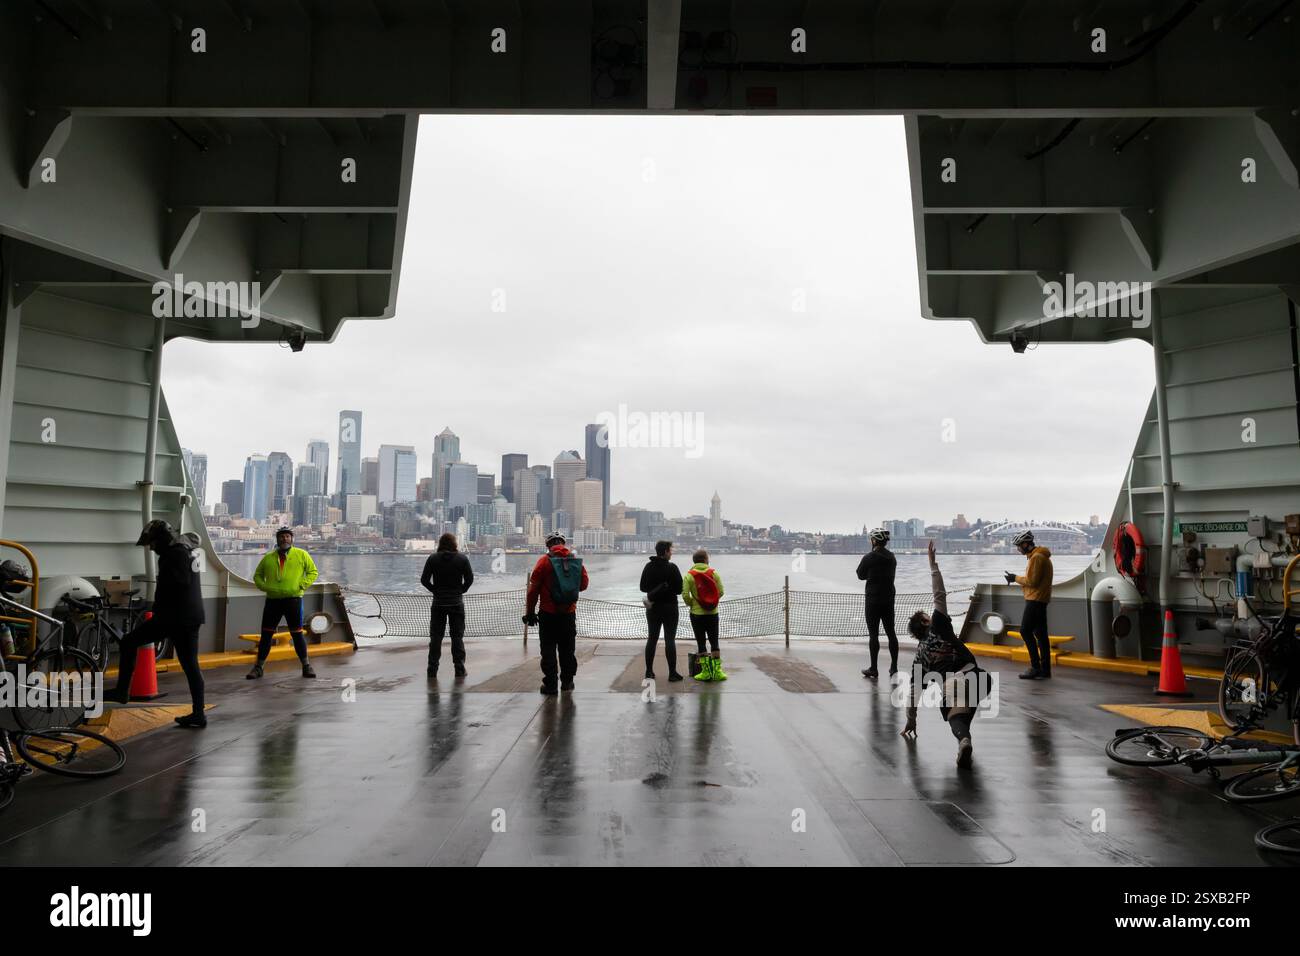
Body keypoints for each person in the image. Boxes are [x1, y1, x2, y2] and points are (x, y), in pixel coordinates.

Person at [104, 520, 207, 728]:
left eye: (152, 543)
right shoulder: (188, 549)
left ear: (162, 539)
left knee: (129, 642)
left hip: (175, 617)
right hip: (190, 616)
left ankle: (122, 691)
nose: (151, 548)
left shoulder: (174, 554)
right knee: (190, 665)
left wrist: (157, 608)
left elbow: (177, 585)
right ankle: (198, 713)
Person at [900, 541, 987, 768]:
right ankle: (965, 738)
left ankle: (963, 739)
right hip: (980, 677)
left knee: (954, 709)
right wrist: (933, 565)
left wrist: (911, 720)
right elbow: (939, 594)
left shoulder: (920, 656)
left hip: (954, 682)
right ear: (926, 621)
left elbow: (914, 693)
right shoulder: (940, 624)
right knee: (963, 706)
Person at [247, 527, 319, 680]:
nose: (284, 539)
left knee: (297, 634)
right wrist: (264, 586)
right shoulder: (268, 557)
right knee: (266, 635)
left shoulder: (302, 554)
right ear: (277, 539)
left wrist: (302, 585)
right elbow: (258, 575)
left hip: (293, 600)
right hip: (273, 602)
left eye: (287, 536)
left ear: (292, 539)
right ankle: (258, 667)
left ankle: (306, 666)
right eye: (281, 537)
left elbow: (313, 572)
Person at [523, 532, 588, 695]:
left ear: (548, 546)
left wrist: (530, 613)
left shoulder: (543, 562)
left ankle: (550, 685)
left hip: (548, 614)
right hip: (568, 613)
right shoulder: (574, 560)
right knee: (567, 650)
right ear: (564, 544)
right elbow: (584, 585)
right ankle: (567, 682)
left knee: (548, 649)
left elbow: (533, 591)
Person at [420, 532, 474, 679]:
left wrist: (435, 591)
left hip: (438, 603)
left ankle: (432, 669)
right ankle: (459, 669)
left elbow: (424, 580)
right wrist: (461, 590)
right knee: (457, 637)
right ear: (454, 543)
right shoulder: (462, 559)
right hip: (456, 602)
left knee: (436, 638)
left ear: (441, 543)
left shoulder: (432, 559)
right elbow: (470, 579)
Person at [1004, 530, 1054, 680]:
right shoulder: (1039, 556)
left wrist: (1015, 578)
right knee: (1041, 636)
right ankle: (1045, 670)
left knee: (1025, 631)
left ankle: (1035, 667)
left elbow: (1032, 581)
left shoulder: (1037, 558)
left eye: (1019, 546)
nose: (1018, 549)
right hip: (1040, 600)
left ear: (1026, 544)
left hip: (1035, 601)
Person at [856, 527, 898, 680]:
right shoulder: (892, 557)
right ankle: (894, 667)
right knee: (891, 633)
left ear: (874, 540)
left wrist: (871, 575)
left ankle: (874, 668)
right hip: (888, 599)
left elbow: (860, 575)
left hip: (873, 600)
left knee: (874, 635)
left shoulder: (869, 557)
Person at [640, 540, 684, 682]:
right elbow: (679, 590)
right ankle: (672, 673)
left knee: (652, 639)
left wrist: (655, 590)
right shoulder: (672, 568)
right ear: (665, 552)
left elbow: (643, 587)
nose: (671, 553)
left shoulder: (648, 566)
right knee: (669, 640)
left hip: (653, 608)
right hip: (670, 607)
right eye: (670, 550)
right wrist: (667, 588)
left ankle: (648, 671)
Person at [682, 549, 726, 682]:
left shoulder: (689, 576)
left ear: (694, 561)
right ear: (706, 559)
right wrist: (711, 602)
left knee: (701, 642)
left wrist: (693, 604)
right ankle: (718, 672)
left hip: (696, 614)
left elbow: (684, 595)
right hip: (712, 613)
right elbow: (721, 592)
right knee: (714, 641)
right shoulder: (714, 573)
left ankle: (706, 672)